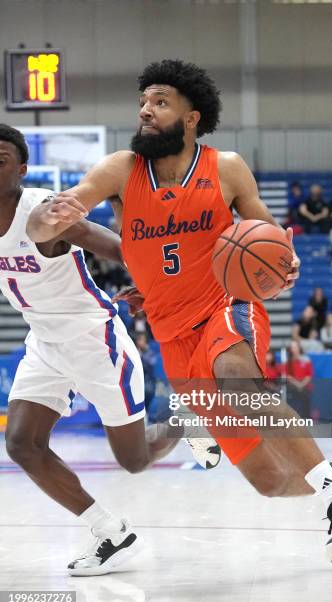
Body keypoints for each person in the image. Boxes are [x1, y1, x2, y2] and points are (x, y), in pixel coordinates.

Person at [26, 59, 332, 563]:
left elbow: (269, 237)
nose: (146, 112)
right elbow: (53, 222)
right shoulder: (121, 169)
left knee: (235, 374)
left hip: (226, 305)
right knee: (269, 481)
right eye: (143, 103)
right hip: (171, 332)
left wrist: (285, 264)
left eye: (160, 102)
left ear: (192, 117)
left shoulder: (226, 168)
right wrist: (47, 218)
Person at [0, 124, 218, 578]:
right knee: (21, 443)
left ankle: (189, 421)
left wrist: (156, 285)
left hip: (94, 340)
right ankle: (110, 531)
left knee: (134, 460)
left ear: (21, 169)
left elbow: (116, 246)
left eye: (0, 157)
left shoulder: (43, 211)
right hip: (44, 342)